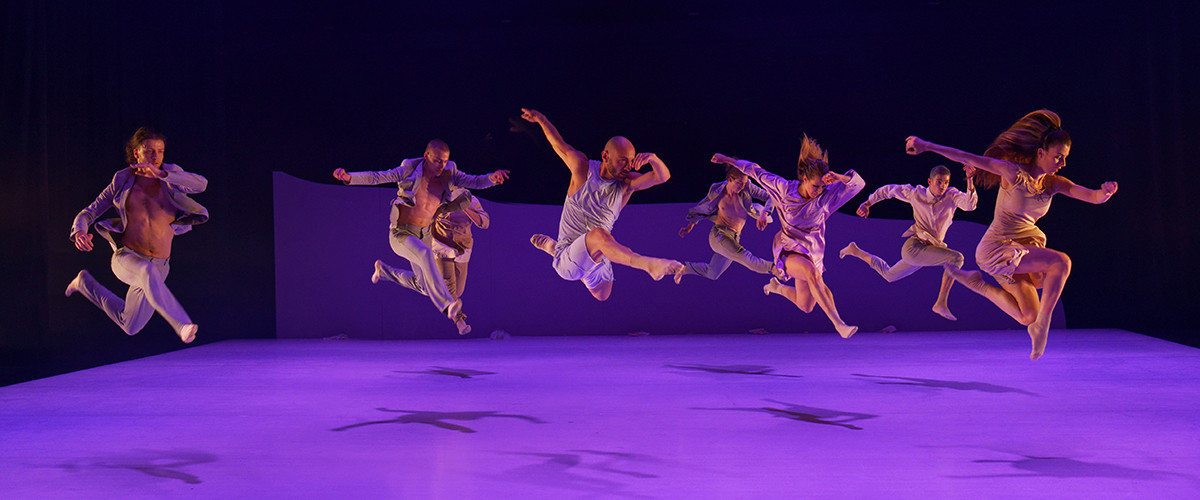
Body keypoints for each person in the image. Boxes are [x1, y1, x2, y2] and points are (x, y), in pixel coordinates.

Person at [905, 109, 1118, 360]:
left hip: (1023, 248)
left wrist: (1105, 193)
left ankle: (978, 284)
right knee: (1061, 262)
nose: (1062, 164)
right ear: (1041, 153)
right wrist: (926, 146)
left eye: (1065, 158)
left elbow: (1092, 196)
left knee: (1027, 314)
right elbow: (967, 157)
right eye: (1058, 157)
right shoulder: (1012, 173)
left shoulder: (1054, 183)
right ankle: (1043, 326)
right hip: (997, 248)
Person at [332, 140, 509, 335]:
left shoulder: (450, 173)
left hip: (424, 234)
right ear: (426, 156)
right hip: (401, 233)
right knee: (426, 254)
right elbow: (377, 176)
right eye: (437, 161)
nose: (441, 165)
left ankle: (384, 272)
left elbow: (474, 181)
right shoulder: (408, 169)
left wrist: (492, 178)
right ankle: (447, 305)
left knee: (425, 286)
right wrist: (349, 177)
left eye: (445, 161)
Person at [521, 108, 684, 301]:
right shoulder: (582, 168)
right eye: (622, 161)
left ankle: (557, 250)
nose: (628, 167)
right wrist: (541, 119)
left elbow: (662, 177)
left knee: (602, 295)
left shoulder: (627, 184)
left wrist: (654, 159)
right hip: (570, 258)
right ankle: (649, 265)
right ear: (605, 156)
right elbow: (558, 143)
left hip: (598, 254)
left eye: (631, 161)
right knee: (599, 235)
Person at [712, 135, 865, 337]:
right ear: (804, 179)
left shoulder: (826, 197)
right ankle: (839, 324)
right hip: (788, 248)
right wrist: (727, 159)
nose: (819, 191)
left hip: (813, 252)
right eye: (815, 186)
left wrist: (839, 178)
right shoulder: (784, 189)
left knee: (806, 305)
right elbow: (755, 170)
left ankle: (777, 288)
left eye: (822, 187)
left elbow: (858, 184)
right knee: (812, 274)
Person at [65, 127, 208, 343]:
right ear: (136, 153)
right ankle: (181, 324)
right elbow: (89, 212)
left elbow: (202, 185)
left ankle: (85, 283)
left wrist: (162, 175)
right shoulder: (122, 180)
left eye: (160, 151)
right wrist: (80, 230)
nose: (156, 157)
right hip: (127, 258)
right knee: (146, 269)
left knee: (130, 325)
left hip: (160, 264)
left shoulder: (171, 176)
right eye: (149, 151)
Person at [838, 164, 977, 320]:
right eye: (939, 182)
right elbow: (888, 190)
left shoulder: (952, 195)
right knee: (956, 258)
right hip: (914, 248)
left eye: (946, 182)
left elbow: (969, 205)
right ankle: (941, 303)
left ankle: (855, 250)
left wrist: (970, 180)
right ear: (929, 182)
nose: (943, 186)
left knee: (889, 275)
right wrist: (868, 203)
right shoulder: (916, 193)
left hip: (929, 251)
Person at [678, 165, 786, 281]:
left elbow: (771, 196)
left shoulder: (747, 187)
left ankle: (681, 268)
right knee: (744, 256)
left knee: (712, 273)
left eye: (744, 183)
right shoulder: (717, 191)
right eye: (739, 183)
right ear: (730, 179)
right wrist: (689, 226)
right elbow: (702, 207)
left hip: (735, 237)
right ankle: (773, 268)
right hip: (719, 235)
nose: (742, 186)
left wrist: (765, 213)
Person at [430, 187, 490, 299]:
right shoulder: (440, 197)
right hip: (442, 244)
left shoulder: (471, 200)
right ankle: (452, 308)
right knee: (449, 287)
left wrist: (465, 208)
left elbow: (484, 223)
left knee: (458, 291)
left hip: (463, 246)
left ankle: (436, 286)